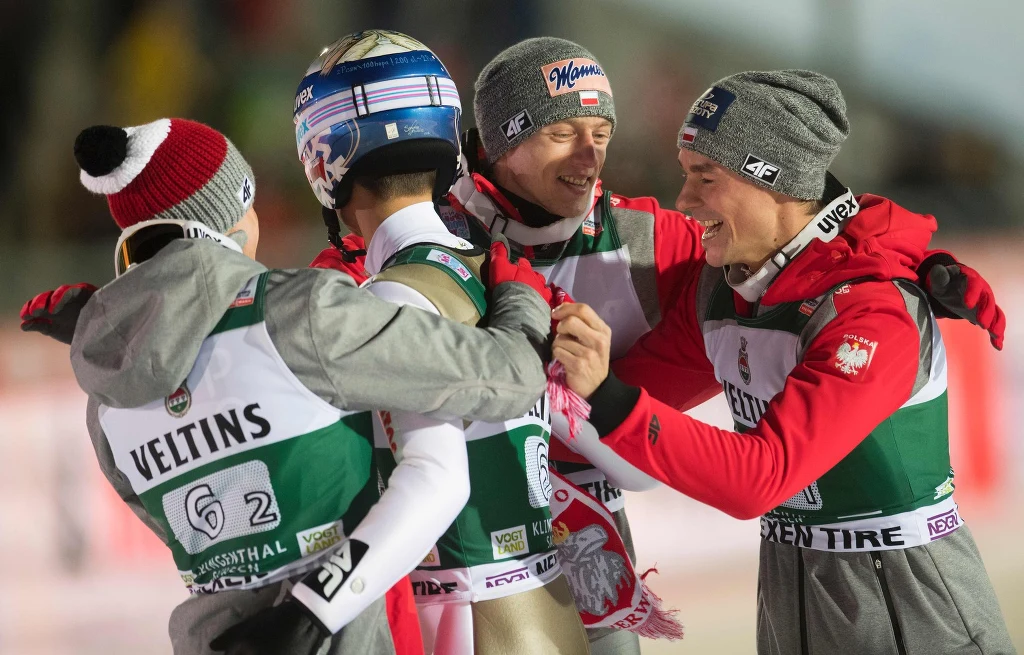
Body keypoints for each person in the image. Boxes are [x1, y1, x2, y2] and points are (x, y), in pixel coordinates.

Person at [32, 116, 556, 655]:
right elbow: (509, 376)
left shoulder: (105, 393)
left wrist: (127, 317)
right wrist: (521, 294)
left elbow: (195, 532)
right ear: (232, 218)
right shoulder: (299, 313)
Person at [549, 70, 1015, 654]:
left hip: (913, 611)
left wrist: (608, 398)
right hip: (791, 600)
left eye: (706, 177)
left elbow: (759, 480)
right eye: (685, 173)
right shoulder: (723, 291)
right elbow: (604, 412)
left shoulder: (871, 315)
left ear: (776, 182)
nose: (684, 200)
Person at [291, 30, 588, 654]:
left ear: (324, 159)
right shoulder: (503, 273)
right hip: (541, 605)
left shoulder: (390, 296)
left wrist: (313, 605)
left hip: (462, 613)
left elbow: (436, 481)